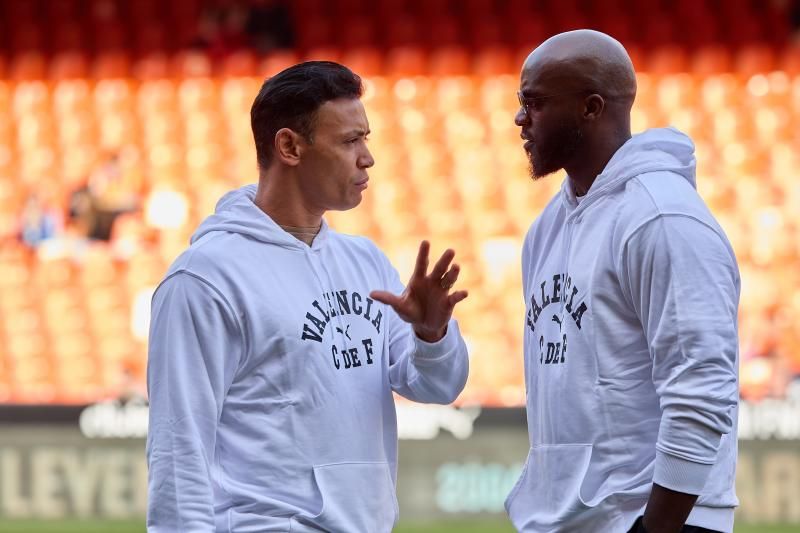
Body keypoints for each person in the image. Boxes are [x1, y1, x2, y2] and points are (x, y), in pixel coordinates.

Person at [145, 61, 470, 532]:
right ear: (290, 146)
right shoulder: (205, 278)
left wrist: (432, 333)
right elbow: (179, 447)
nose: (367, 158)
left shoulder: (365, 261)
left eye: (366, 137)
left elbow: (438, 387)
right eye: (349, 141)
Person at [506, 30, 739, 533]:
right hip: (573, 520)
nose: (520, 119)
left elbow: (701, 387)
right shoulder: (548, 227)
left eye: (535, 103)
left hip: (655, 519)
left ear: (591, 108)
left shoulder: (661, 216)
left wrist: (657, 528)